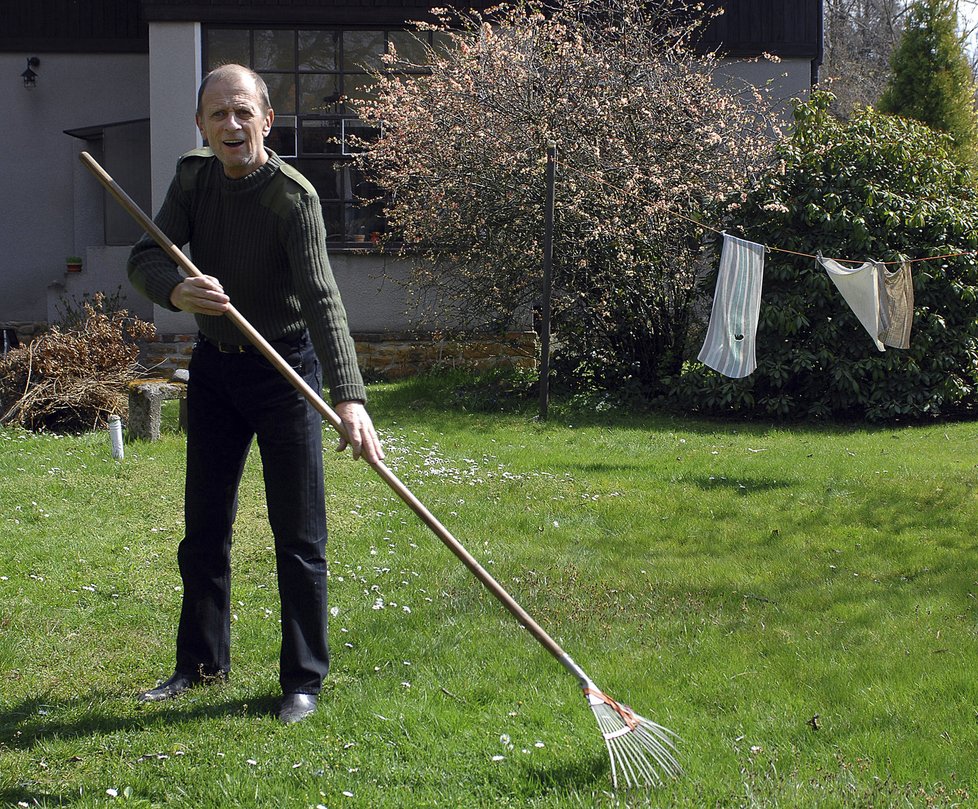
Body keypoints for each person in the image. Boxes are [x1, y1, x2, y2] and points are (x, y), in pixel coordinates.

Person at [127, 64, 384, 724]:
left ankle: (303, 678)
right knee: (204, 528)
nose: (231, 125)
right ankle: (200, 663)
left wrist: (350, 398)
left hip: (286, 372)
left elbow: (324, 299)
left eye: (244, 112)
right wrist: (177, 291)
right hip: (215, 366)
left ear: (266, 120)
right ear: (201, 125)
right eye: (218, 114)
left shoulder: (291, 198)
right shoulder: (193, 179)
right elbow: (146, 257)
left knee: (298, 533)